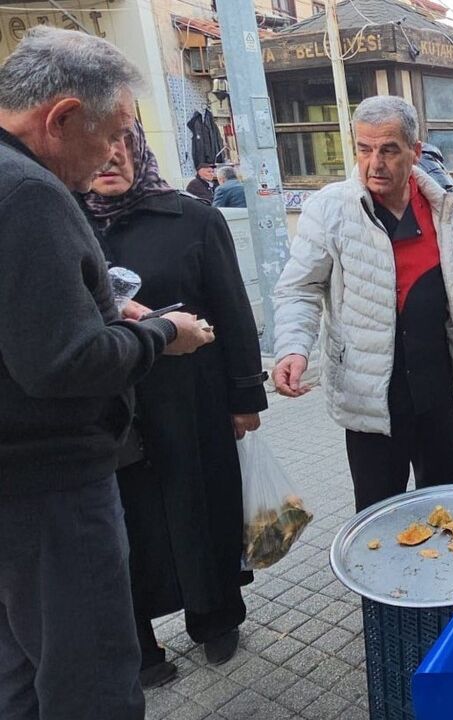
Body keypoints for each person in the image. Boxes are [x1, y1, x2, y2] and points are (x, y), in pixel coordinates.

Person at [0, 27, 213, 720]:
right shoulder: (28, 195)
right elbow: (63, 362)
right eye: (113, 132)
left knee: (23, 673)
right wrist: (158, 333)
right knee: (90, 675)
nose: (115, 153)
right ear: (62, 118)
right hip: (52, 488)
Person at [82, 121, 267, 687]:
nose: (109, 156)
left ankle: (215, 618)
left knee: (201, 508)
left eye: (120, 141)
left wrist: (244, 397)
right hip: (107, 411)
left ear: (138, 147)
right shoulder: (63, 222)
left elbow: (233, 311)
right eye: (95, 144)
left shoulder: (193, 218)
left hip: (192, 400)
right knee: (121, 527)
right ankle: (138, 644)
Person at [272, 96, 453, 512]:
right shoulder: (331, 209)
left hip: (433, 387)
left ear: (415, 150)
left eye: (389, 150)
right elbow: (299, 288)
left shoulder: (440, 207)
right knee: (377, 509)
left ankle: (442, 577)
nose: (375, 163)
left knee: (446, 499)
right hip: (370, 394)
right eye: (364, 148)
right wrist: (292, 348)